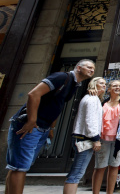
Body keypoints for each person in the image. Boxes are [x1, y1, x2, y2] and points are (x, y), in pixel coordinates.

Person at [5, 59, 95, 194]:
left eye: (93, 68)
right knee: (20, 167)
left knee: (19, 166)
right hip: (30, 126)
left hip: (43, 128)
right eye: (88, 67)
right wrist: (31, 120)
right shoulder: (61, 77)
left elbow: (58, 106)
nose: (92, 70)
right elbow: (33, 94)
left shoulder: (75, 85)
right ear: (78, 67)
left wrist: (51, 128)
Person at [64, 77, 106, 194]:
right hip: (84, 139)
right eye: (101, 83)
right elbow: (90, 120)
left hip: (82, 138)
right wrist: (96, 139)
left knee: (76, 172)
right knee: (77, 174)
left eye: (105, 83)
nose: (104, 85)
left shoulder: (92, 98)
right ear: (94, 84)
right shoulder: (92, 99)